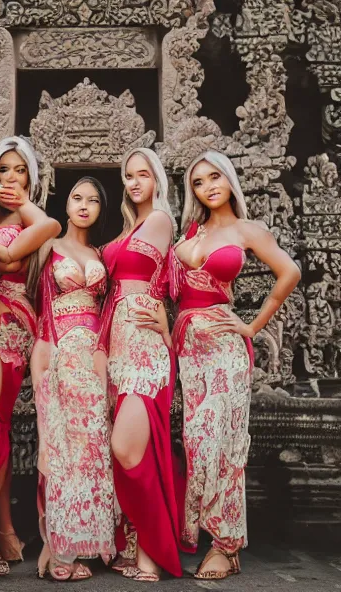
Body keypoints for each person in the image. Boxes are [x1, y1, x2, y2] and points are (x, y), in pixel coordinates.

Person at [152, 150, 301, 580]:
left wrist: (252, 326)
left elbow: (288, 273)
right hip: (189, 350)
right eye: (198, 182)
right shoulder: (189, 234)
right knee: (198, 442)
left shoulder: (248, 230)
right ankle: (217, 541)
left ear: (229, 179)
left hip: (225, 347)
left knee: (220, 436)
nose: (208, 186)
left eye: (215, 176)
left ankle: (225, 544)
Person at [0, 136, 61, 576]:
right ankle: (3, 530)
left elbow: (50, 228)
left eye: (19, 169)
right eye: (3, 169)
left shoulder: (31, 218)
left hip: (11, 326)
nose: (9, 178)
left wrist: (6, 245)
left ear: (31, 177)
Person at [96, 148, 185, 582]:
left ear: (157, 180)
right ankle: (136, 547)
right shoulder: (130, 227)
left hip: (143, 344)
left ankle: (154, 550)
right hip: (116, 342)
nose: (133, 183)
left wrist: (164, 321)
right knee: (136, 450)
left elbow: (149, 278)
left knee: (126, 447)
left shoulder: (160, 220)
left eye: (143, 175)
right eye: (128, 176)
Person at [31, 177, 116, 581]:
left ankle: (70, 544)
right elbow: (42, 304)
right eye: (77, 198)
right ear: (63, 204)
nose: (84, 206)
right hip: (61, 350)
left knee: (91, 449)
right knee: (61, 446)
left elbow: (111, 307)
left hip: (95, 357)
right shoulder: (50, 247)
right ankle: (60, 549)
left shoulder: (100, 253)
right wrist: (45, 358)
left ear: (102, 209)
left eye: (93, 200)